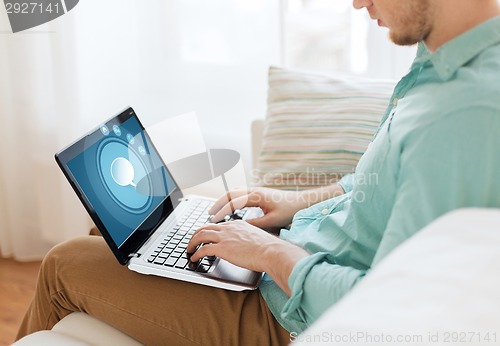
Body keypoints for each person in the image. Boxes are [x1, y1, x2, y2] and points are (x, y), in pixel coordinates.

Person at [17, 0, 500, 344]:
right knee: (123, 238)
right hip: (291, 262)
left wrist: (271, 254)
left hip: (288, 318)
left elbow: (395, 311)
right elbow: (377, 189)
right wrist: (294, 205)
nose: (356, 4)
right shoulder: (441, 62)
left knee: (63, 264)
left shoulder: (464, 111)